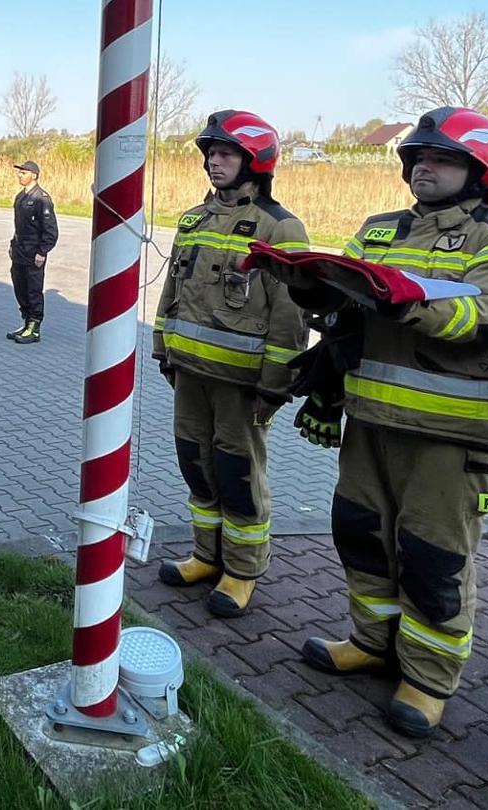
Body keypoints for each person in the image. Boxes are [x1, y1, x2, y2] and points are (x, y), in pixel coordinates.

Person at [269, 106, 488, 738]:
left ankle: (425, 679)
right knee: (361, 535)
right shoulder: (379, 228)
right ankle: (370, 642)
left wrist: (407, 298)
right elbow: (342, 301)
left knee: (433, 557)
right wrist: (306, 285)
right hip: (371, 424)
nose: (423, 165)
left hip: (448, 439)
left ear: (482, 171)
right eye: (417, 156)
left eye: (441, 158)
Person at [152, 110, 311, 619]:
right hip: (190, 374)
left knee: (237, 472)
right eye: (210, 153)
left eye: (225, 153)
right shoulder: (193, 220)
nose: (214, 162)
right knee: (195, 464)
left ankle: (242, 570)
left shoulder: (279, 227)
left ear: (255, 160)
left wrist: (276, 384)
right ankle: (206, 555)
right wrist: (163, 347)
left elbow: (291, 314)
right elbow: (172, 289)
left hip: (243, 384)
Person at [6, 160, 58, 343]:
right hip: (19, 249)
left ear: (34, 175)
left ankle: (34, 328)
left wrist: (42, 251)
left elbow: (50, 230)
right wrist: (13, 245)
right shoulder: (21, 197)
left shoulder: (41, 198)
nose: (20, 175)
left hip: (33, 251)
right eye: (19, 173)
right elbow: (18, 225)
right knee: (19, 286)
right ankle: (26, 322)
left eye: (24, 173)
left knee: (33, 289)